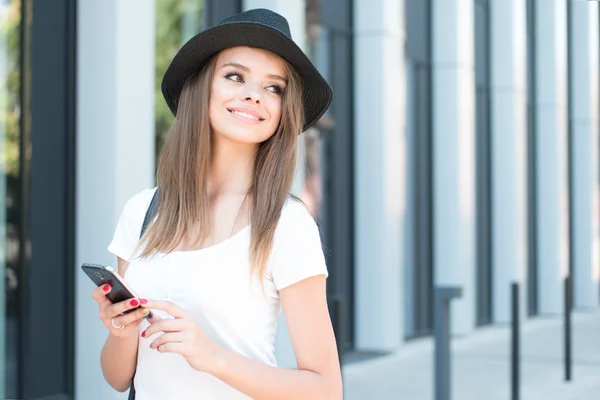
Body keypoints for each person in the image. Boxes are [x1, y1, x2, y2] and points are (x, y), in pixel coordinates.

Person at [90, 8, 342, 400]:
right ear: (202, 87)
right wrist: (121, 328)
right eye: (235, 76)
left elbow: (326, 390)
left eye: (273, 88)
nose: (253, 94)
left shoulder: (286, 224)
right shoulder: (142, 212)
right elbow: (118, 378)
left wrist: (212, 356)